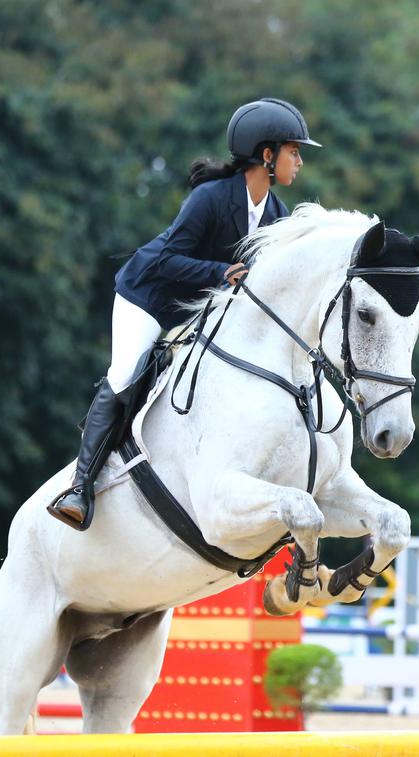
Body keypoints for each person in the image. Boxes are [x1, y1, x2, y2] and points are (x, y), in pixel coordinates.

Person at [48, 98, 322, 530]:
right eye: (294, 151)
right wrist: (220, 272)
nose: (300, 161)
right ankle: (80, 488)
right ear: (267, 155)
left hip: (203, 308)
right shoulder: (211, 198)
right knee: (125, 374)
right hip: (151, 297)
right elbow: (166, 260)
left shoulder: (276, 215)